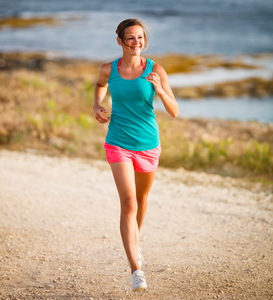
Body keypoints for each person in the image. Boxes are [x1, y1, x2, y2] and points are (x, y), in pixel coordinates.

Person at [93, 18, 178, 292]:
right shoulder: (109, 69)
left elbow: (174, 110)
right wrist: (97, 103)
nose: (136, 42)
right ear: (119, 41)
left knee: (141, 200)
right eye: (130, 38)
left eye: (140, 37)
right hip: (117, 141)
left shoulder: (156, 69)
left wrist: (160, 89)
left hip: (148, 144)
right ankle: (136, 270)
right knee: (128, 202)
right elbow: (100, 84)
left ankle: (135, 244)